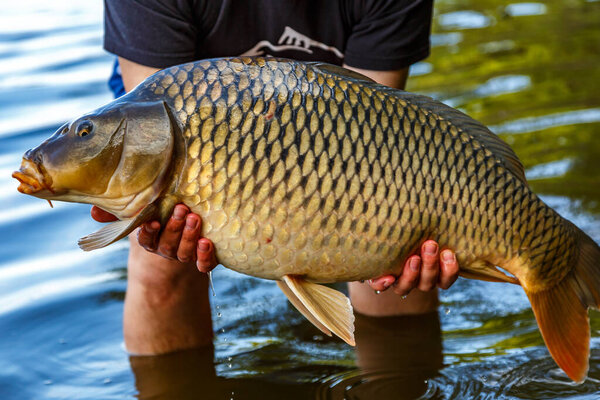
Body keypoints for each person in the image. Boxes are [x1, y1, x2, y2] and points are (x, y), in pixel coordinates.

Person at [99, 0, 460, 355]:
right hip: (193, 119)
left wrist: (382, 242)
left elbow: (374, 136)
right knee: (162, 249)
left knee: (389, 234)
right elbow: (149, 125)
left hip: (338, 110)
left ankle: (401, 382)